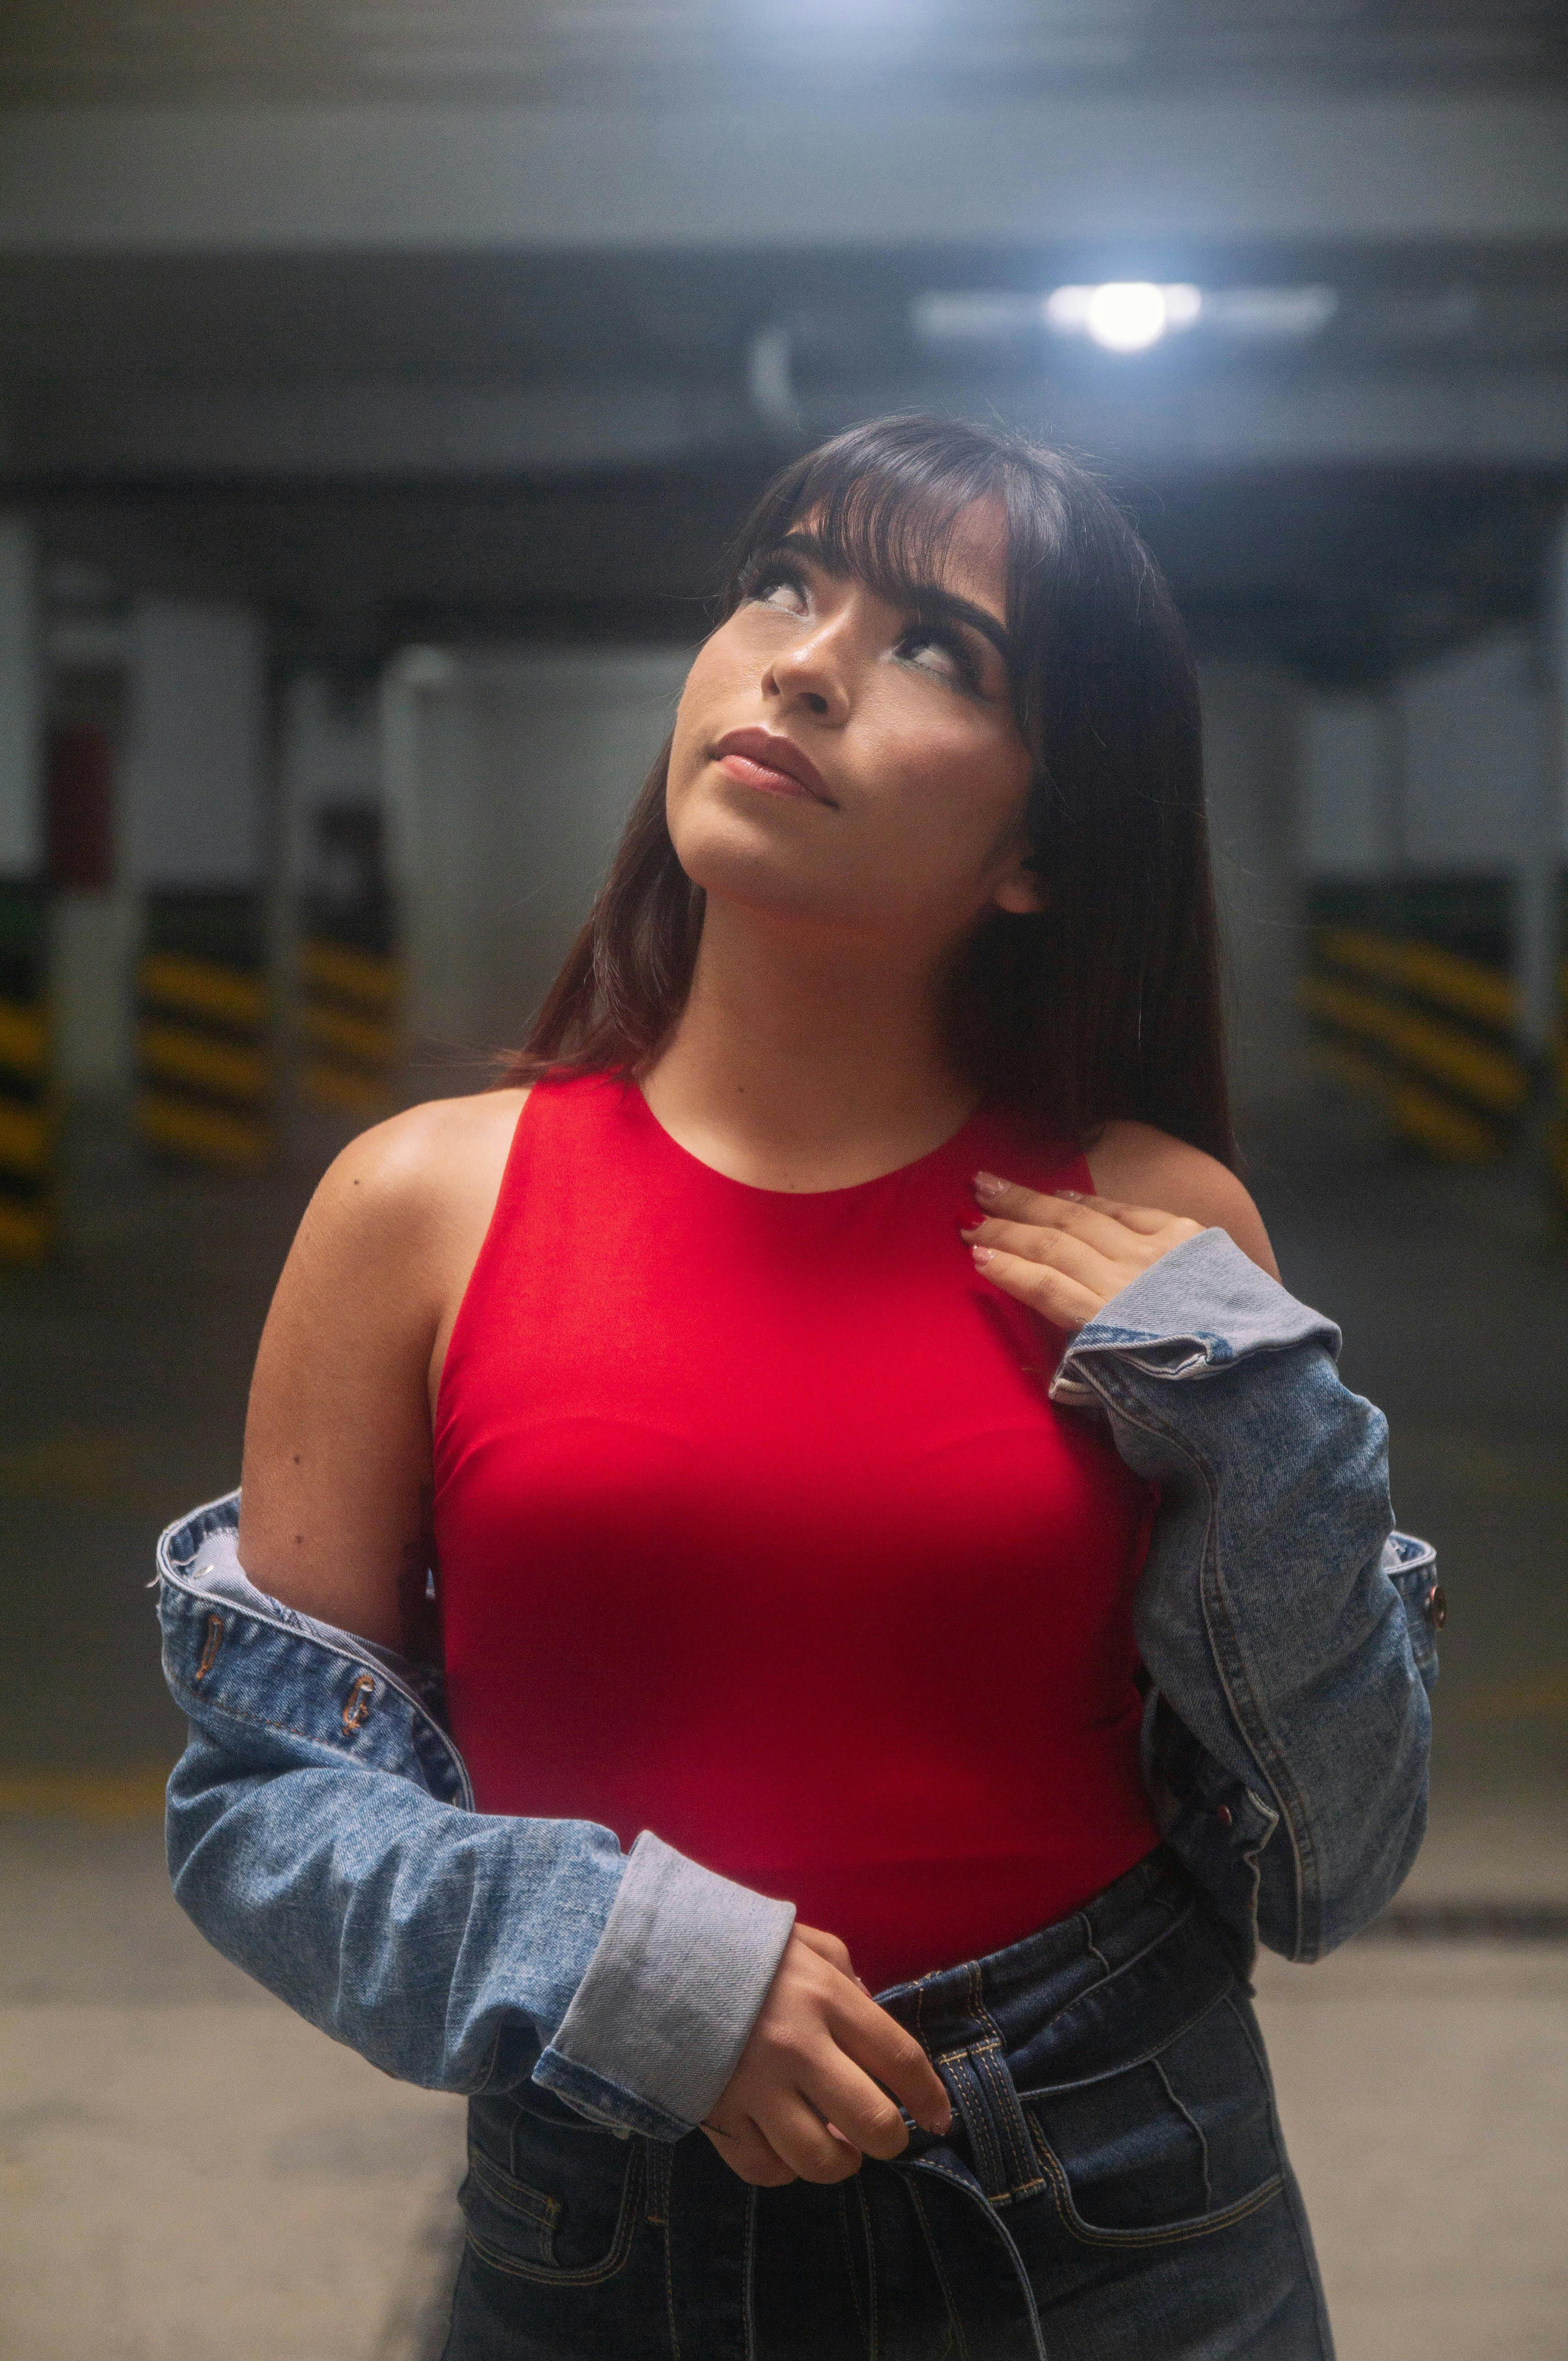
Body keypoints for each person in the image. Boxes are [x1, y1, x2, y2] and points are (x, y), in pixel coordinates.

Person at [156, 416, 1440, 2359]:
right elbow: (261, 1809)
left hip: (1121, 2208)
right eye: (784, 581)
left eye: (942, 647)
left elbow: (1338, 1859)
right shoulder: (420, 1207)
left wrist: (1278, 1432)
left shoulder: (1160, 1233)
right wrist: (614, 1958)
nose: (806, 658)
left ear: (1035, 851)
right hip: (601, 2214)